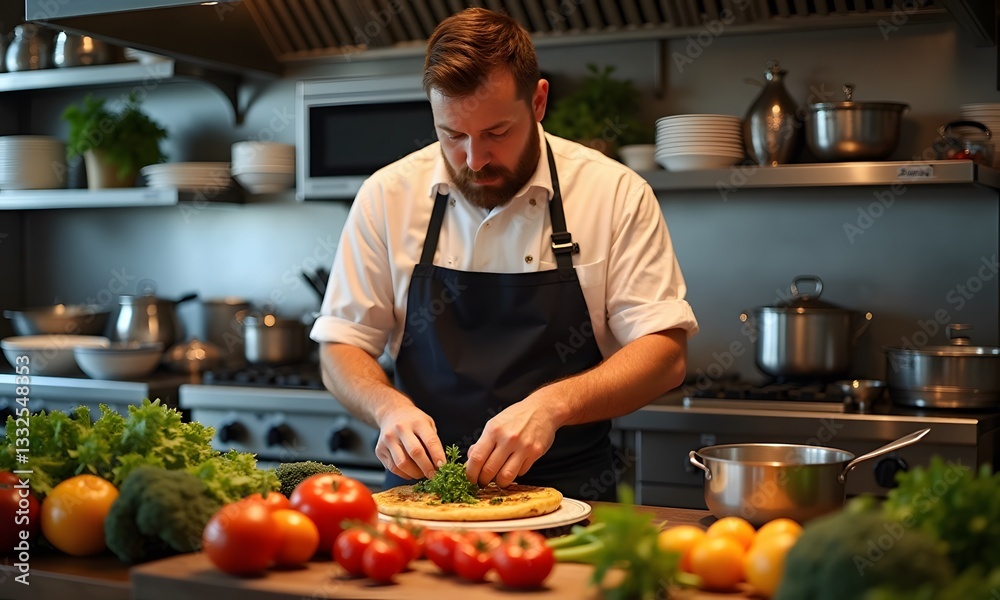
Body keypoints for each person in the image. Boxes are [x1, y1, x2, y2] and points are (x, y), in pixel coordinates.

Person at [310, 8, 698, 501]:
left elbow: (665, 354)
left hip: (573, 493)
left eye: (496, 132)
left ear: (538, 101)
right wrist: (387, 407)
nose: (475, 160)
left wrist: (554, 404)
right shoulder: (386, 195)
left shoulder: (615, 193)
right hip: (424, 496)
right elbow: (340, 347)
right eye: (453, 135)